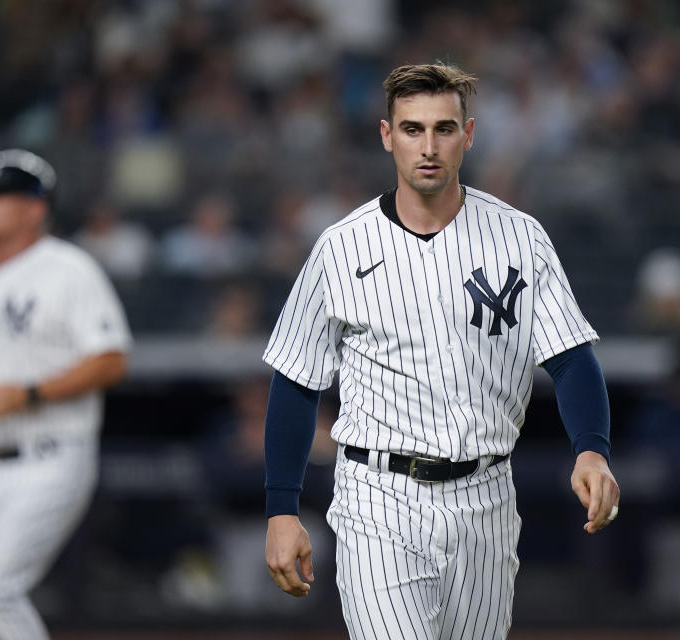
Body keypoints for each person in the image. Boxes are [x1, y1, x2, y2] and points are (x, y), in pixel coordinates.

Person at [261, 63, 619, 639]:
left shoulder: (520, 237)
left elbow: (573, 358)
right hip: (378, 495)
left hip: (487, 495)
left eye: (444, 128)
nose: (428, 146)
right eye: (412, 129)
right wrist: (282, 508)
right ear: (386, 135)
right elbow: (297, 381)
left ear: (469, 134)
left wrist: (592, 450)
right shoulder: (340, 246)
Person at [0, 149, 131, 640]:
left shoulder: (69, 270)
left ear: (35, 207)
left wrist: (30, 393)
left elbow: (112, 359)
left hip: (52, 455)